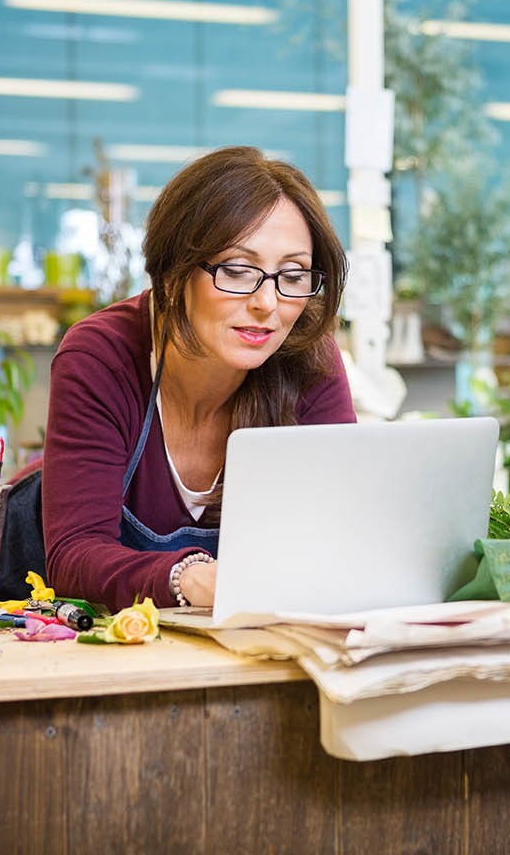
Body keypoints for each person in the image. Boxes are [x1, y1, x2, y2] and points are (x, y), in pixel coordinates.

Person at [39, 146, 355, 611]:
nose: (267, 303)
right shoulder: (102, 357)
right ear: (172, 275)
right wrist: (187, 578)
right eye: (237, 270)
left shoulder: (309, 358)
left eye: (292, 276)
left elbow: (340, 533)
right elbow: (74, 555)